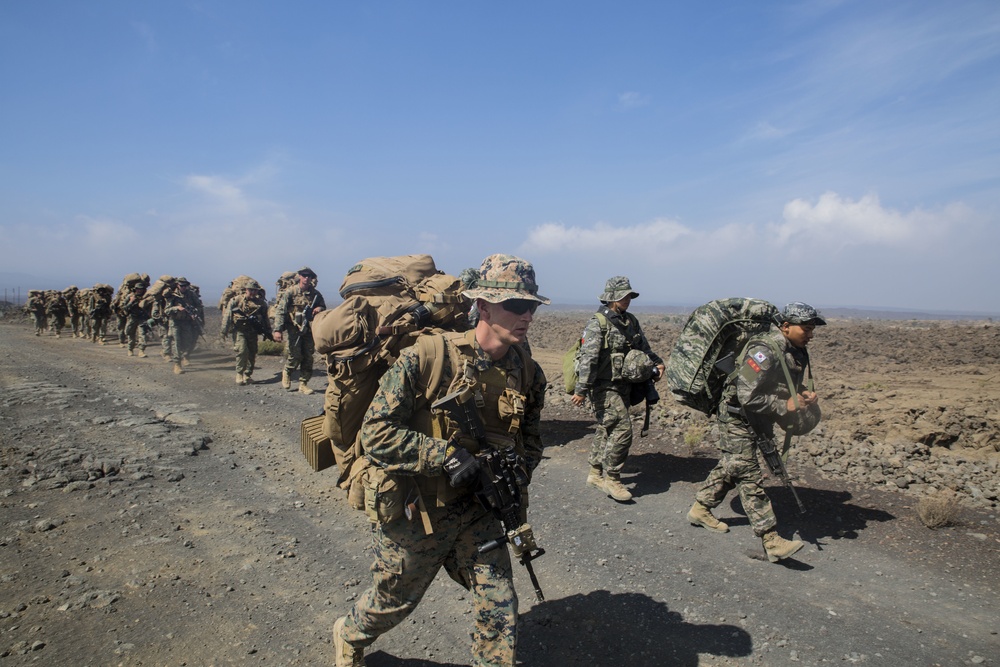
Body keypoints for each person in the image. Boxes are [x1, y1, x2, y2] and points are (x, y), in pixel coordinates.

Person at [333, 254, 549, 667]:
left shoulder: (528, 372)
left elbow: (531, 440)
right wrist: (445, 455)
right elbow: (375, 433)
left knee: (499, 602)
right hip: (420, 508)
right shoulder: (429, 357)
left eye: (532, 306)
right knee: (394, 600)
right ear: (483, 306)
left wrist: (513, 475)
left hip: (478, 509)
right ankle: (349, 634)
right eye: (517, 306)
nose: (527, 316)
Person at [688, 302, 826, 563]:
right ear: (785, 327)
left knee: (733, 465)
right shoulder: (763, 350)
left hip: (759, 416)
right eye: (806, 328)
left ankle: (701, 508)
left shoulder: (795, 351)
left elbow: (778, 384)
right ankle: (770, 538)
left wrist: (800, 397)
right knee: (748, 474)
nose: (810, 334)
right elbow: (745, 395)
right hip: (736, 416)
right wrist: (783, 405)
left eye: (812, 329)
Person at [571, 276, 665, 502]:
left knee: (607, 427)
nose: (628, 300)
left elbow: (643, 346)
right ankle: (612, 479)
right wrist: (581, 389)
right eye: (624, 296)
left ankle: (595, 473)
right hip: (603, 387)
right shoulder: (598, 323)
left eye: (630, 296)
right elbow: (589, 358)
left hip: (624, 385)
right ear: (612, 298)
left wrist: (657, 362)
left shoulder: (630, 321)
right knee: (623, 430)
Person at [271, 267, 326, 394]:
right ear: (299, 276)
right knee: (295, 355)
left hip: (309, 328)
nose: (306, 278)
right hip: (294, 328)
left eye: (309, 276)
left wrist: (319, 308)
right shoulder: (291, 292)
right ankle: (287, 371)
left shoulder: (316, 294)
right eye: (304, 275)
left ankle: (303, 383)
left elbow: (323, 306)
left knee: (308, 356)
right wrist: (277, 330)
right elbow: (281, 311)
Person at [221, 279, 272, 385]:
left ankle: (248, 374)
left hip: (253, 332)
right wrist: (224, 331)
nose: (252, 292)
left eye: (255, 290)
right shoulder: (236, 300)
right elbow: (227, 316)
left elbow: (265, 318)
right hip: (240, 331)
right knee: (242, 351)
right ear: (246, 290)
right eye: (250, 290)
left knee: (252, 352)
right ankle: (239, 373)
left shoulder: (261, 303)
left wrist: (268, 331)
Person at [163, 277, 202, 374]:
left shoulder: (191, 294)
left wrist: (194, 313)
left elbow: (199, 306)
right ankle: (177, 364)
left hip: (186, 322)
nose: (184, 287)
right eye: (181, 286)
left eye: (185, 285)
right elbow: (166, 310)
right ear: (177, 285)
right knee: (177, 342)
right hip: (175, 322)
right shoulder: (173, 296)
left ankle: (185, 356)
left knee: (187, 341)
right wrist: (176, 308)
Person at [123, 284, 152, 358]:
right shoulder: (130, 297)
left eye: (141, 289)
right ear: (135, 289)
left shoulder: (146, 297)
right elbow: (125, 308)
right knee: (131, 334)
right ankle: (130, 349)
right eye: (138, 289)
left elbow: (149, 308)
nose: (139, 290)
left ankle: (141, 351)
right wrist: (131, 301)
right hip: (132, 318)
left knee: (142, 335)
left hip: (142, 318)